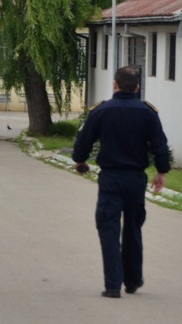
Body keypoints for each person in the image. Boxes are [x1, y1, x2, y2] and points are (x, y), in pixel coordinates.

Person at [72, 66, 170, 298]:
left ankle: (113, 285)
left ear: (115, 85)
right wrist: (161, 172)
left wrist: (80, 161)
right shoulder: (148, 113)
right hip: (136, 179)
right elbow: (160, 145)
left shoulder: (101, 111)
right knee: (133, 228)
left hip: (111, 179)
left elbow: (83, 142)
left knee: (108, 228)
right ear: (137, 87)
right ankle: (133, 280)